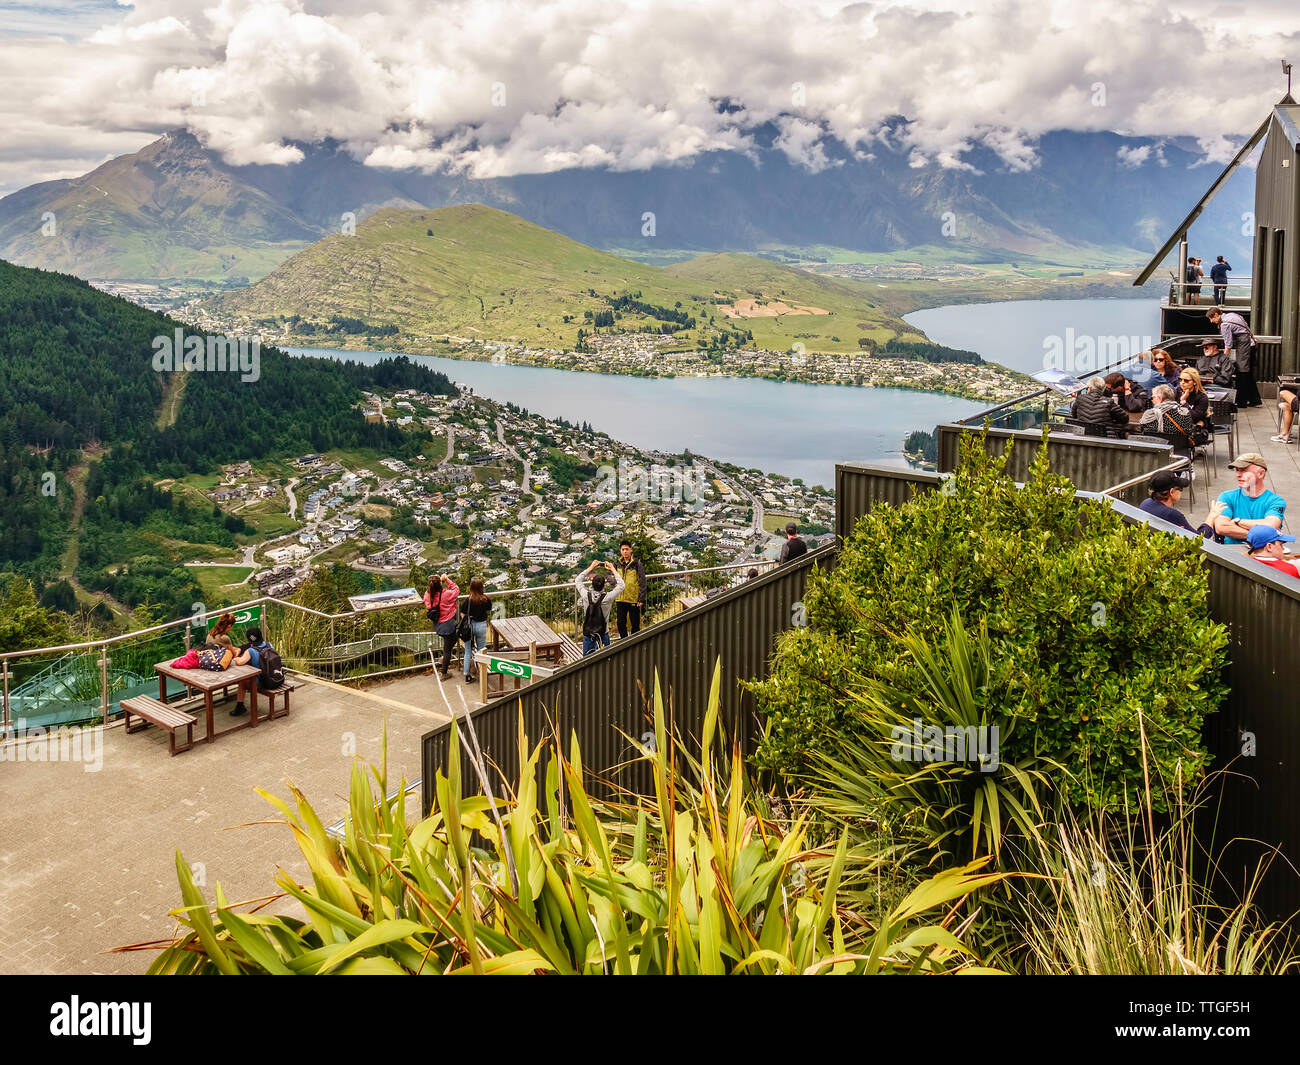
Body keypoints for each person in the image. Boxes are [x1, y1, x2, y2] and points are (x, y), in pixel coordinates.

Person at [1214, 453, 1285, 545]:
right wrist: (1260, 536)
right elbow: (1221, 527)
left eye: (1243, 470)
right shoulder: (1227, 496)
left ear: (1261, 473)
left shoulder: (1276, 501)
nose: (1238, 475)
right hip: (1233, 554)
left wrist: (1236, 521)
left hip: (1264, 554)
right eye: (1237, 470)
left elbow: (1270, 525)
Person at [1208, 305, 1259, 408]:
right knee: (1248, 373)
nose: (1211, 321)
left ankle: (1241, 402)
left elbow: (1228, 345)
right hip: (1251, 343)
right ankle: (1254, 400)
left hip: (1244, 345)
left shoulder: (1225, 324)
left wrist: (1223, 360)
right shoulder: (1231, 315)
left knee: (1242, 372)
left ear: (1217, 315)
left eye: (1212, 318)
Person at [1138, 470, 1215, 538]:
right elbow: (1199, 540)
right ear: (1171, 492)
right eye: (1180, 488)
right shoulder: (1172, 515)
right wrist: (1212, 516)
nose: (1182, 491)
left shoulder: (1146, 503)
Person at [576, 560, 624, 655]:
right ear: (603, 585)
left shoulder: (586, 595)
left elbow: (578, 580)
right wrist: (613, 569)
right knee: (606, 659)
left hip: (588, 632)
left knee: (586, 660)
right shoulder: (608, 597)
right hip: (603, 632)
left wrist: (591, 567)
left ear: (592, 584)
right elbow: (621, 585)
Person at [231, 626, 277, 716]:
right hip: (273, 677)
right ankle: (240, 706)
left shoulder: (250, 651)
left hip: (261, 682)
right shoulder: (269, 645)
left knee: (242, 682)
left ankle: (240, 706)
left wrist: (236, 658)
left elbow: (240, 662)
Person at [424, 574, 461, 678]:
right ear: (440, 584)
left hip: (438, 625)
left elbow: (427, 603)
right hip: (448, 625)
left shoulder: (427, 595)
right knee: (448, 648)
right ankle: (444, 673)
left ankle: (444, 658)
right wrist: (447, 579)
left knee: (449, 644)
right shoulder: (446, 594)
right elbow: (456, 590)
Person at [612, 539, 647, 639]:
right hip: (620, 598)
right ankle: (624, 642)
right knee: (621, 623)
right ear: (620, 551)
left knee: (635, 624)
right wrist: (614, 582)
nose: (625, 552)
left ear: (631, 550)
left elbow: (642, 581)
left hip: (633, 598)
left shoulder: (636, 564)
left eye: (627, 549)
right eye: (623, 549)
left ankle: (635, 642)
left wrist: (641, 598)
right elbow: (608, 575)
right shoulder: (616, 564)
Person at [461, 578, 491, 683]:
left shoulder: (468, 600)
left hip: (470, 627)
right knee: (481, 650)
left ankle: (467, 675)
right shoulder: (485, 599)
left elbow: (463, 613)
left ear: (471, 587)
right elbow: (489, 609)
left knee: (468, 651)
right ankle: (482, 673)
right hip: (481, 625)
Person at [1177, 367, 1212, 437]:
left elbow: (1193, 417)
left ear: (1195, 382)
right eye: (1180, 379)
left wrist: (1183, 402)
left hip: (1196, 431)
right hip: (1178, 427)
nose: (1182, 383)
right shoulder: (1177, 392)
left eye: (1186, 380)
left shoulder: (1202, 397)